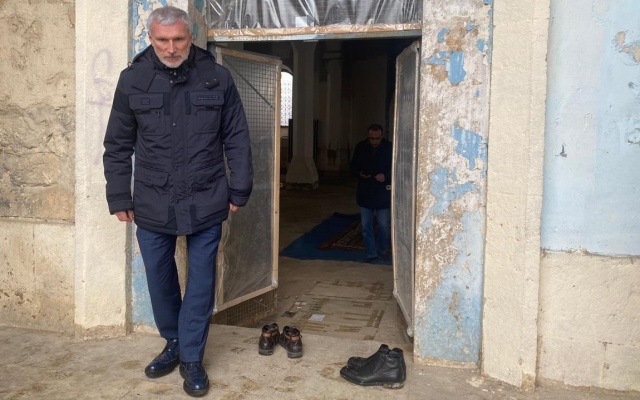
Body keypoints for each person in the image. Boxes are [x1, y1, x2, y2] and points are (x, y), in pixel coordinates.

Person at [102, 6, 252, 397]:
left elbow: (236, 136)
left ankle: (192, 357)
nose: (171, 48)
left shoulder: (216, 77)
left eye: (178, 39)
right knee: (159, 276)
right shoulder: (132, 80)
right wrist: (118, 196)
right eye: (162, 40)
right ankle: (173, 341)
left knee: (201, 281)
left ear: (190, 37)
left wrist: (240, 188)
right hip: (153, 199)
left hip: (206, 195)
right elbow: (117, 144)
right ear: (151, 38)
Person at [350, 123, 392, 263]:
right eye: (371, 138)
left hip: (382, 193)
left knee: (383, 225)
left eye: (377, 138)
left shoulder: (389, 148)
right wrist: (360, 173)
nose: (374, 141)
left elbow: (397, 167)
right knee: (366, 226)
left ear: (382, 136)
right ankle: (371, 253)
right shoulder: (361, 147)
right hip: (366, 192)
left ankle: (383, 250)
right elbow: (353, 166)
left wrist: (386, 176)